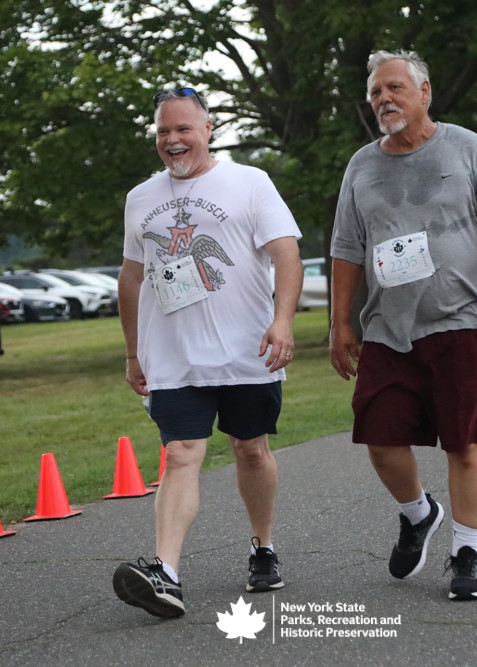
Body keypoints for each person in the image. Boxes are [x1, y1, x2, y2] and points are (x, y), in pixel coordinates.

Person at [329, 50, 477, 601]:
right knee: (380, 438)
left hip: (461, 321)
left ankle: (466, 552)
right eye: (375, 92)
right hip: (388, 328)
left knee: (465, 443)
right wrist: (340, 322)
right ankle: (419, 514)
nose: (383, 99)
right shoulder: (360, 166)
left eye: (394, 87)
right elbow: (346, 249)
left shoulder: (467, 149)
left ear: (424, 92)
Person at [112, 86, 303, 618]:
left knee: (250, 449)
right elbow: (131, 277)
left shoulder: (249, 182)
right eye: (163, 132)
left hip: (247, 352)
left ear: (208, 129)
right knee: (179, 453)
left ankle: (263, 546)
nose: (172, 140)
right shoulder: (140, 197)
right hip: (173, 357)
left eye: (183, 129)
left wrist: (283, 321)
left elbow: (287, 253)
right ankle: (166, 574)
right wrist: (133, 353)